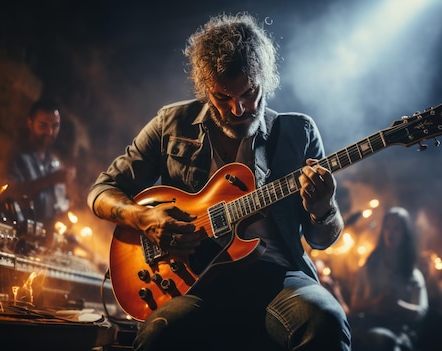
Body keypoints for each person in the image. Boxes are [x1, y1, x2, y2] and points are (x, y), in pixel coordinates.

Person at [87, 13, 350, 351]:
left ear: (264, 80)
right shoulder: (171, 123)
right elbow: (101, 192)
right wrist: (145, 219)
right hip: (196, 283)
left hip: (279, 277)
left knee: (326, 321)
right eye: (222, 97)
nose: (238, 109)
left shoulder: (298, 132)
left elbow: (322, 240)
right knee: (159, 336)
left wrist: (323, 208)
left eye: (249, 93)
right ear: (205, 89)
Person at [0, 99, 76, 253]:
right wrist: (51, 179)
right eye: (43, 125)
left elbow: (59, 208)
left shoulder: (55, 163)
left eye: (55, 126)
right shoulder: (15, 155)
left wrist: (68, 203)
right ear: (30, 123)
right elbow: (9, 192)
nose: (49, 132)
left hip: (44, 245)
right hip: (12, 240)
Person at [349, 207, 429, 351]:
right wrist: (375, 302)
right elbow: (354, 303)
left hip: (399, 333)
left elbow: (421, 311)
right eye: (388, 227)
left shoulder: (414, 275)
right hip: (368, 327)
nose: (391, 233)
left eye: (397, 228)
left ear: (405, 234)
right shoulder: (369, 268)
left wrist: (397, 305)